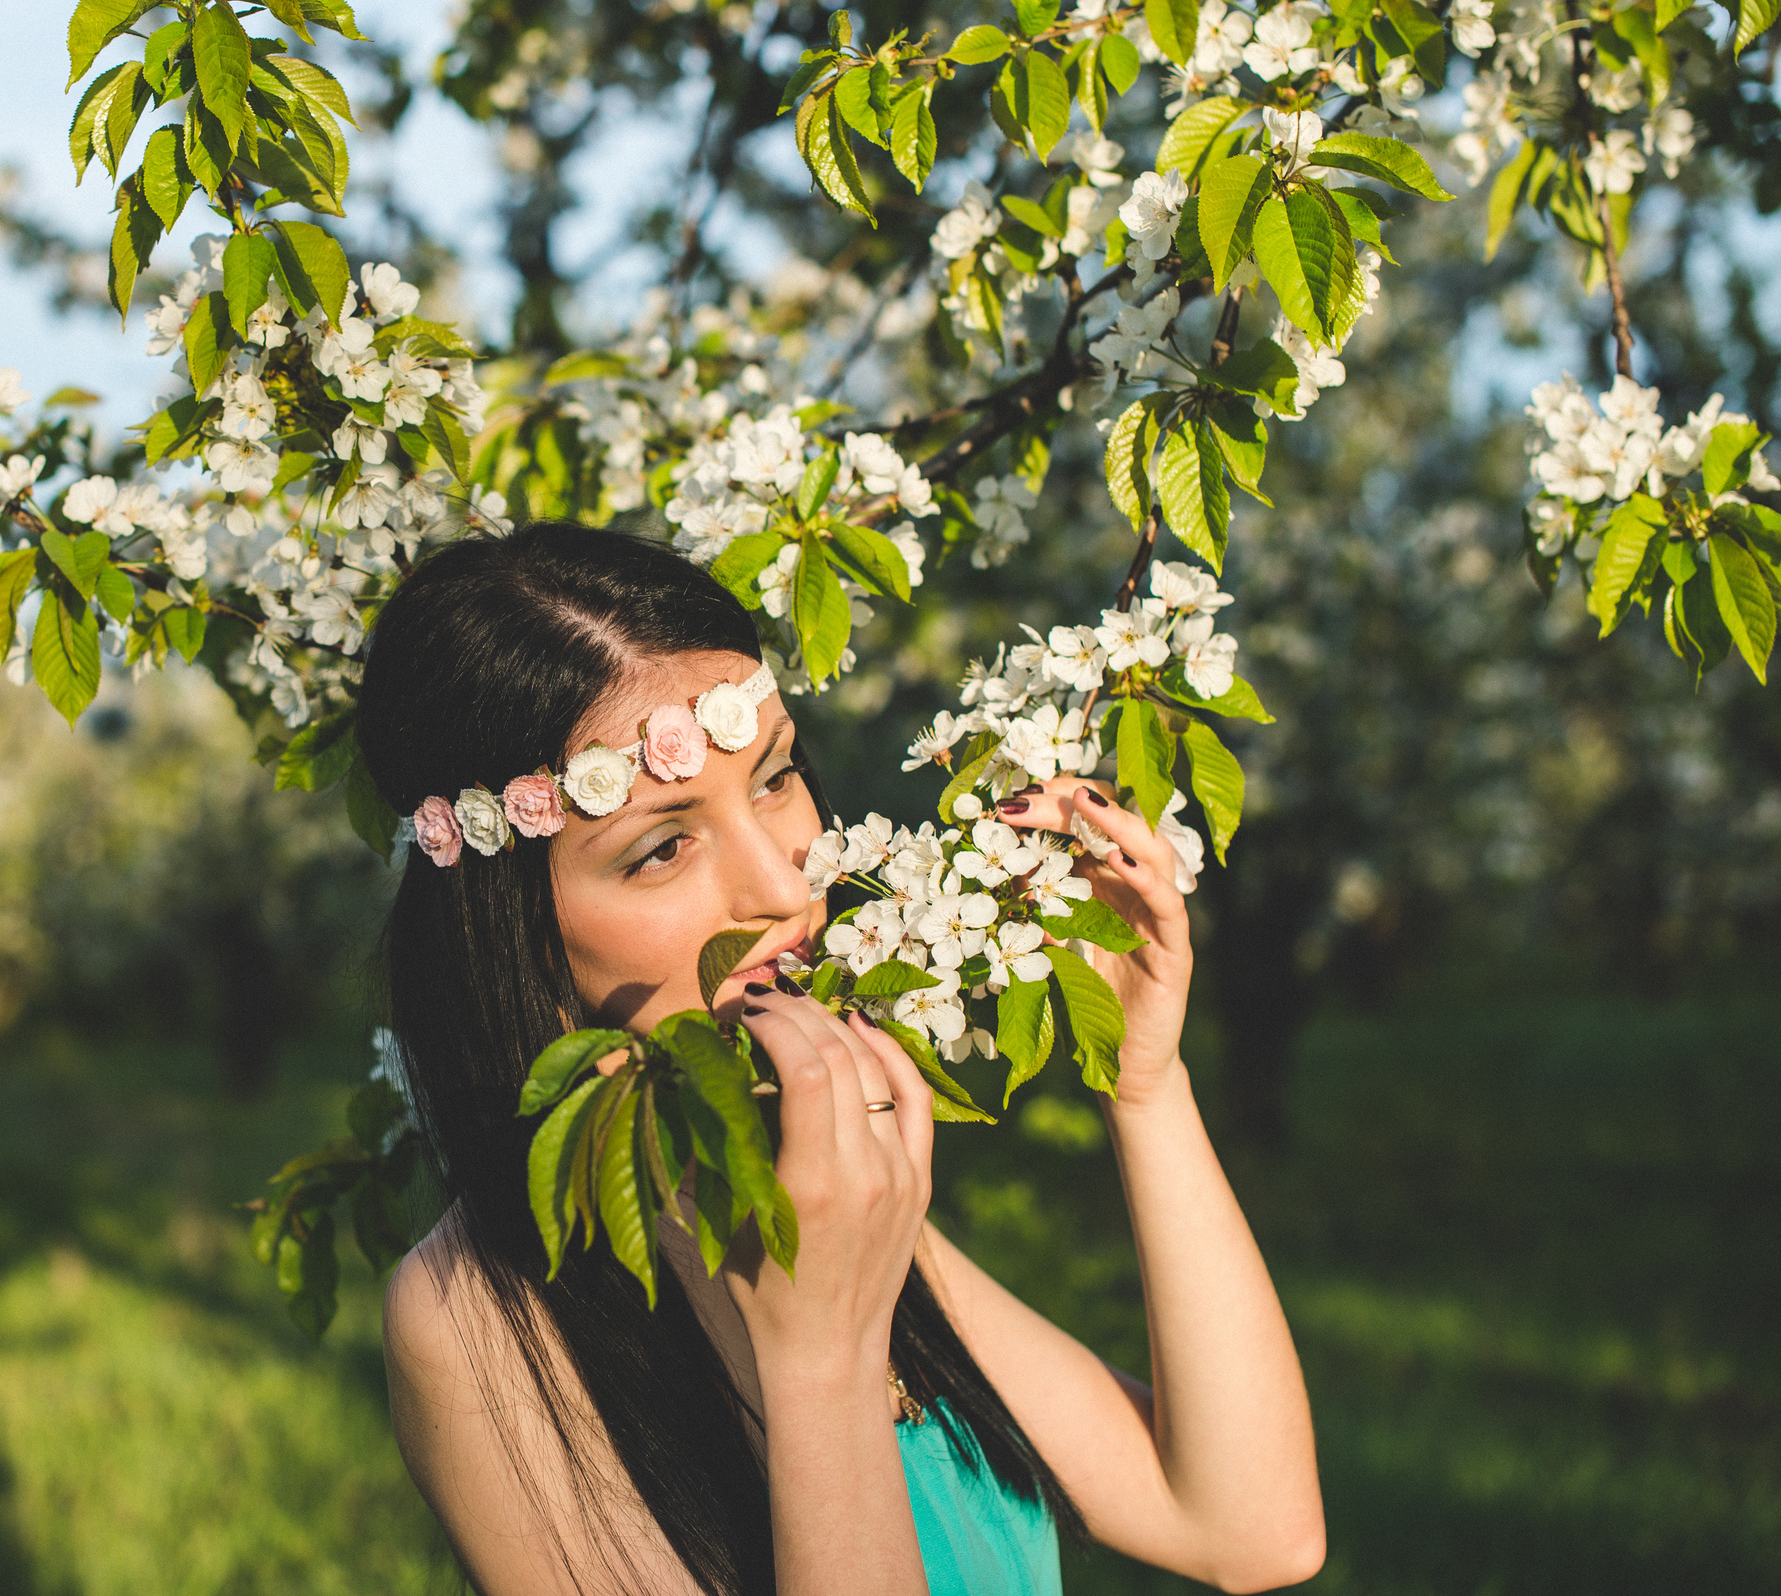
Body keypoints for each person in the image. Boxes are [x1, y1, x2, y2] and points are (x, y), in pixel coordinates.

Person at [364, 523, 1325, 1595]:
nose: (785, 884)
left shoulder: (811, 1174)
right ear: (515, 933)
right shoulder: (474, 1320)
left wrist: (1143, 1086)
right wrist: (820, 1352)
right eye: (663, 846)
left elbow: (1251, 1528)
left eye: (775, 776)